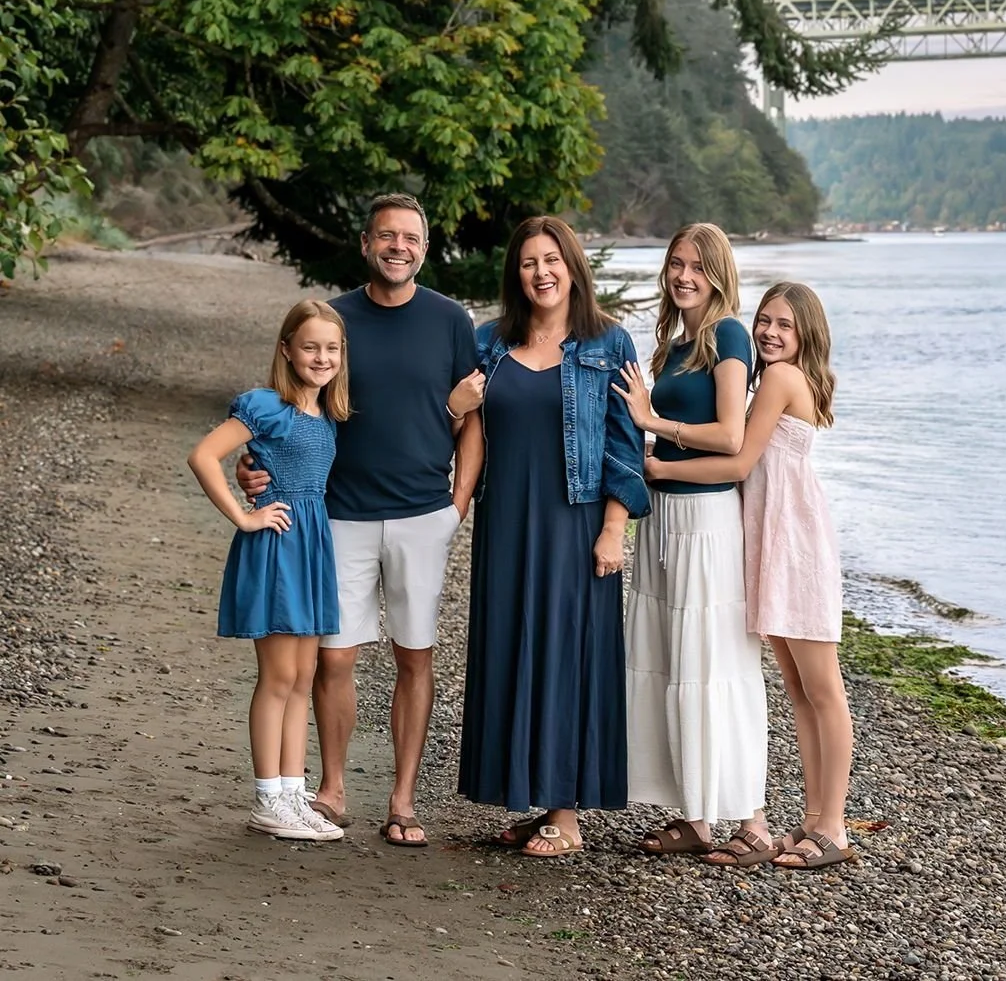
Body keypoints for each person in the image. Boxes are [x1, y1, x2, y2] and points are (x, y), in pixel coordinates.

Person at [237, 194, 484, 847]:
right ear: (366, 243)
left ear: (424, 248)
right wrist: (252, 467)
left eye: (411, 237)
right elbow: (289, 412)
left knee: (414, 655)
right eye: (387, 236)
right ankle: (332, 788)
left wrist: (456, 507)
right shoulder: (332, 320)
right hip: (338, 516)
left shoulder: (450, 320)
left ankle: (402, 800)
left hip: (424, 515)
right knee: (334, 657)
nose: (399, 246)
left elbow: (473, 421)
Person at [454, 216, 650, 858]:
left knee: (569, 654)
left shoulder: (608, 343)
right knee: (512, 647)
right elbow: (461, 427)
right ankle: (530, 794)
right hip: (505, 520)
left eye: (551, 260)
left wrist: (613, 529)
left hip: (575, 521)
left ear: (572, 267)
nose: (541, 273)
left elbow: (625, 445)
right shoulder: (489, 342)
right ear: (516, 273)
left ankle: (566, 816)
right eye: (528, 262)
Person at [645, 281, 854, 869]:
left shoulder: (782, 379)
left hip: (795, 546)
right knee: (799, 691)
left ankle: (834, 826)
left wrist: (657, 463)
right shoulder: (772, 380)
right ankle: (812, 820)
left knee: (823, 690)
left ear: (807, 333)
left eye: (785, 324)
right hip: (771, 542)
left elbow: (738, 460)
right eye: (765, 320)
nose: (769, 332)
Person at [612, 223, 769, 860]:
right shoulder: (675, 345)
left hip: (706, 523)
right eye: (677, 263)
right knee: (674, 664)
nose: (684, 276)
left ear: (719, 274)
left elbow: (731, 437)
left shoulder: (729, 335)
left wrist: (653, 425)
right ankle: (696, 817)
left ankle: (753, 821)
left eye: (699, 267)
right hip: (664, 520)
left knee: (716, 665)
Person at [187, 299, 349, 842]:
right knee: (278, 678)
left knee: (303, 677)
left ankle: (292, 793)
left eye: (331, 348)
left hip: (312, 547)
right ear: (286, 349)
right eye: (310, 347)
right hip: (278, 546)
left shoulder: (327, 412)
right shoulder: (267, 406)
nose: (321, 358)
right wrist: (244, 516)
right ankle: (266, 800)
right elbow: (203, 455)